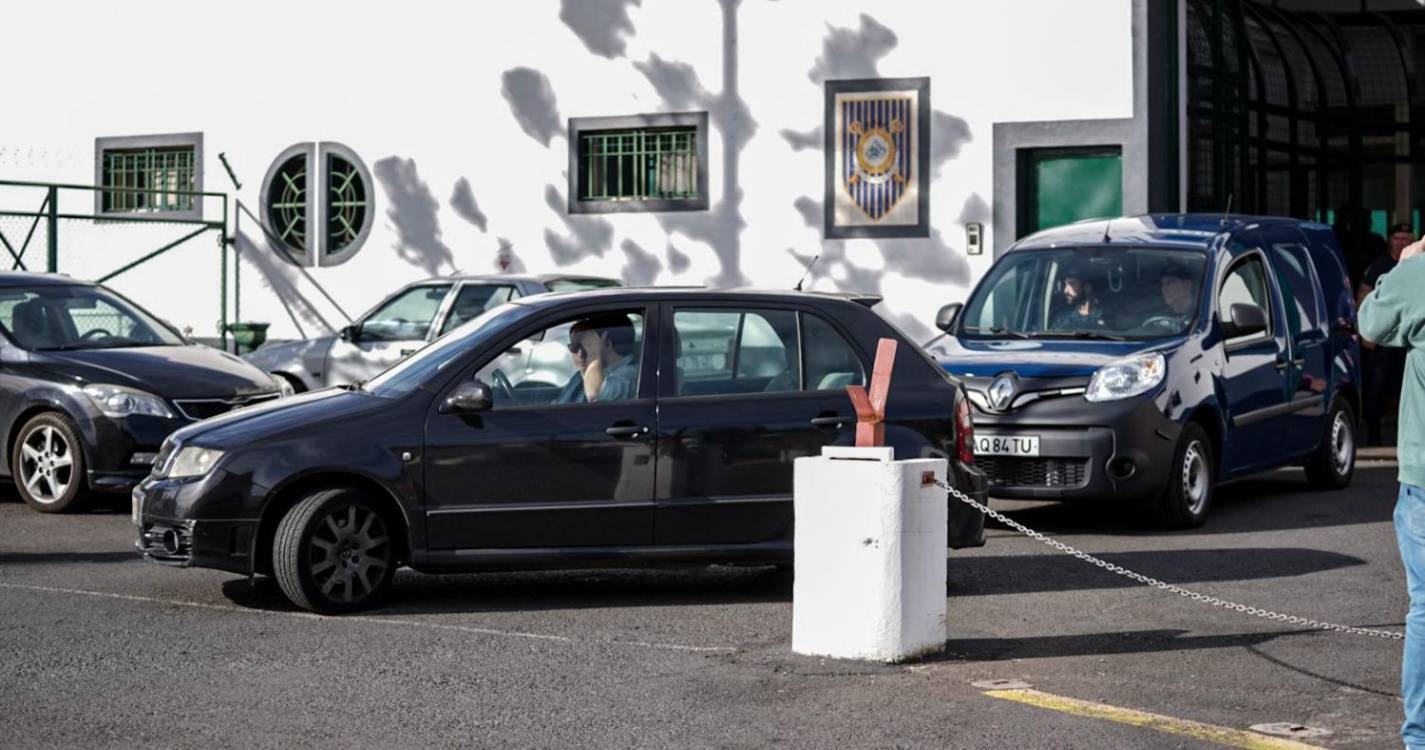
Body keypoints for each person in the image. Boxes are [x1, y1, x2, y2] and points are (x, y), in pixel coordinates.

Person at [1359, 234, 1425, 750]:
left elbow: (1370, 326)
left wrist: (1399, 269)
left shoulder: (1418, 276)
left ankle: (1420, 737)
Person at [1361, 225, 1413, 445]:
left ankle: (1407, 439)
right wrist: (1366, 333)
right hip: (1384, 340)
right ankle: (1373, 439)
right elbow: (1363, 297)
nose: (1401, 242)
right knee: (1376, 389)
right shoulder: (1379, 268)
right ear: (1390, 240)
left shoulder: (1416, 267)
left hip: (1410, 340)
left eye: (1406, 238)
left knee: (1408, 391)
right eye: (1397, 238)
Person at [568, 314, 638, 402]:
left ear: (607, 343)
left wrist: (594, 354)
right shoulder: (602, 373)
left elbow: (594, 395)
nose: (581, 353)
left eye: (588, 344)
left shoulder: (629, 376)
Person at [1049, 263, 1104, 331]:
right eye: (1065, 285)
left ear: (1087, 287)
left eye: (1072, 284)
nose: (1065, 291)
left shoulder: (1105, 316)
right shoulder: (1063, 318)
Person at [1154, 262, 1197, 327]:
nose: (1164, 289)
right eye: (1162, 284)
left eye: (1169, 283)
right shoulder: (1158, 314)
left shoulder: (1201, 313)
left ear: (1187, 285)